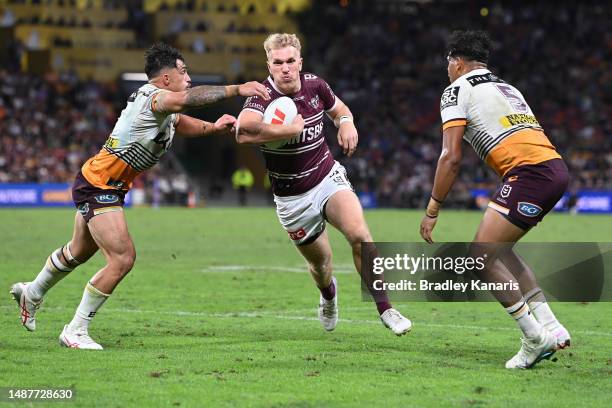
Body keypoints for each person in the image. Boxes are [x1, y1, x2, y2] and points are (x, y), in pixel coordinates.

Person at [10, 42, 270, 350]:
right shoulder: (155, 98)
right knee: (122, 258)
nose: (188, 78)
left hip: (100, 181)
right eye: (183, 72)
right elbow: (189, 99)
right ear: (165, 79)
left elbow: (180, 122)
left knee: (78, 252)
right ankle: (75, 330)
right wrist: (236, 89)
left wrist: (213, 127)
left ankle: (33, 292)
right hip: (100, 186)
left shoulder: (163, 108)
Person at [236, 33, 411, 335]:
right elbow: (243, 130)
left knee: (360, 235)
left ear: (300, 62)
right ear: (269, 65)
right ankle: (328, 295)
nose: (286, 68)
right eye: (278, 63)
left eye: (291, 61)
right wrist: (287, 129)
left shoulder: (316, 85)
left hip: (326, 177)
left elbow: (340, 111)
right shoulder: (261, 96)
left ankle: (386, 308)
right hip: (292, 198)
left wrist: (346, 124)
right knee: (321, 265)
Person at [419, 30, 570, 369]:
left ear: (457, 63)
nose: (447, 69)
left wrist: (432, 208)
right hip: (554, 169)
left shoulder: (455, 90)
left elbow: (450, 156)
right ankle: (551, 326)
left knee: (480, 257)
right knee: (501, 251)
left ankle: (534, 338)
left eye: (448, 62)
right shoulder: (507, 87)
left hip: (530, 175)